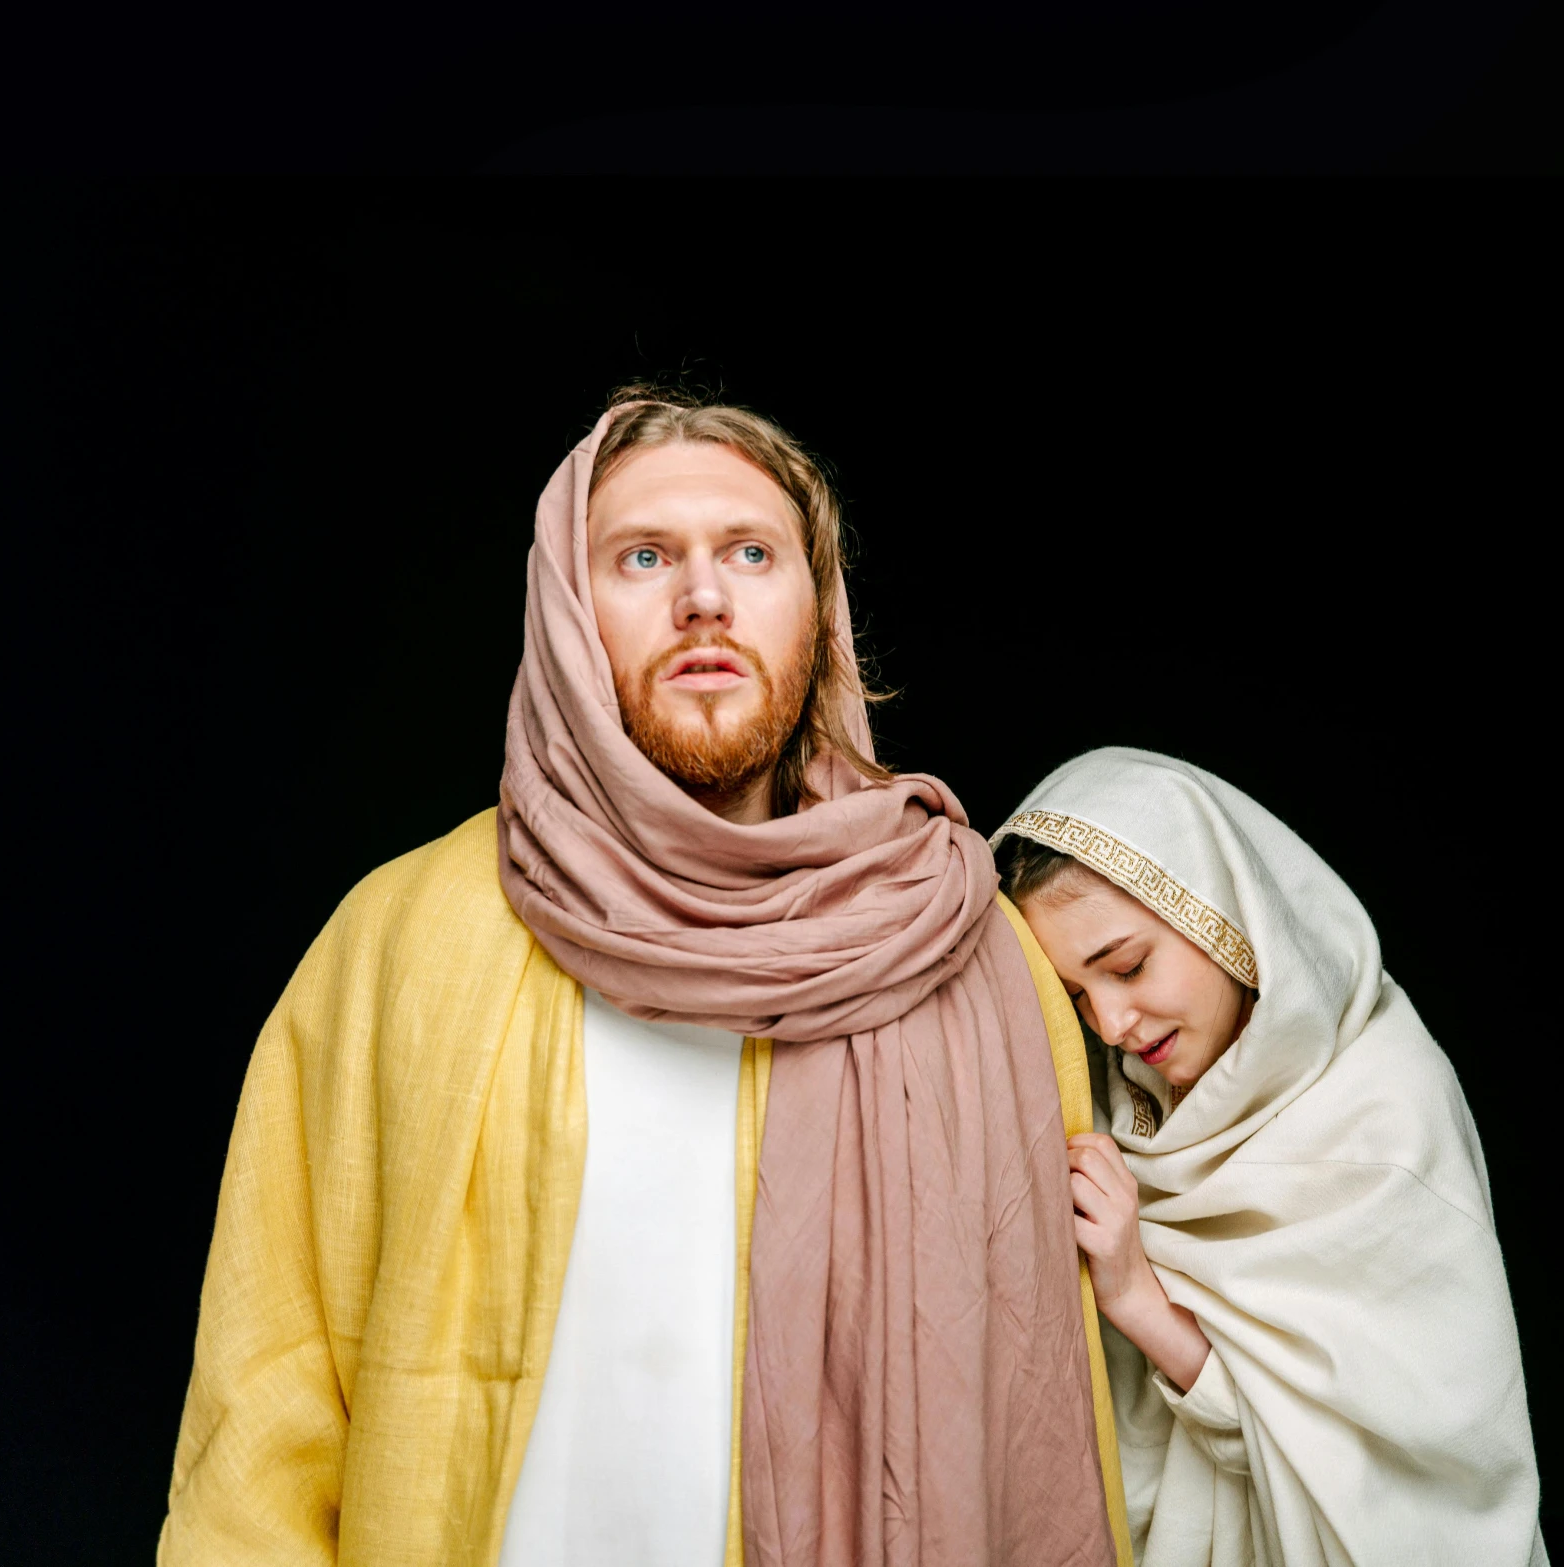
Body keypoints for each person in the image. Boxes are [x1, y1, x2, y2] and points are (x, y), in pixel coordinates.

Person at [160, 390, 1128, 1567]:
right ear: (568, 615)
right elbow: (268, 1402)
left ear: (817, 616)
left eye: (750, 553)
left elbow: (1046, 1393)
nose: (703, 596)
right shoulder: (400, 938)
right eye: (642, 556)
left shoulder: (963, 953)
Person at [993, 748, 1546, 1567]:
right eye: (1076, 995)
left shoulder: (1383, 1111)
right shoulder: (1110, 1114)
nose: (1108, 1023)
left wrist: (1138, 1297)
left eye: (1126, 965)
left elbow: (1415, 1486)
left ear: (1224, 907)